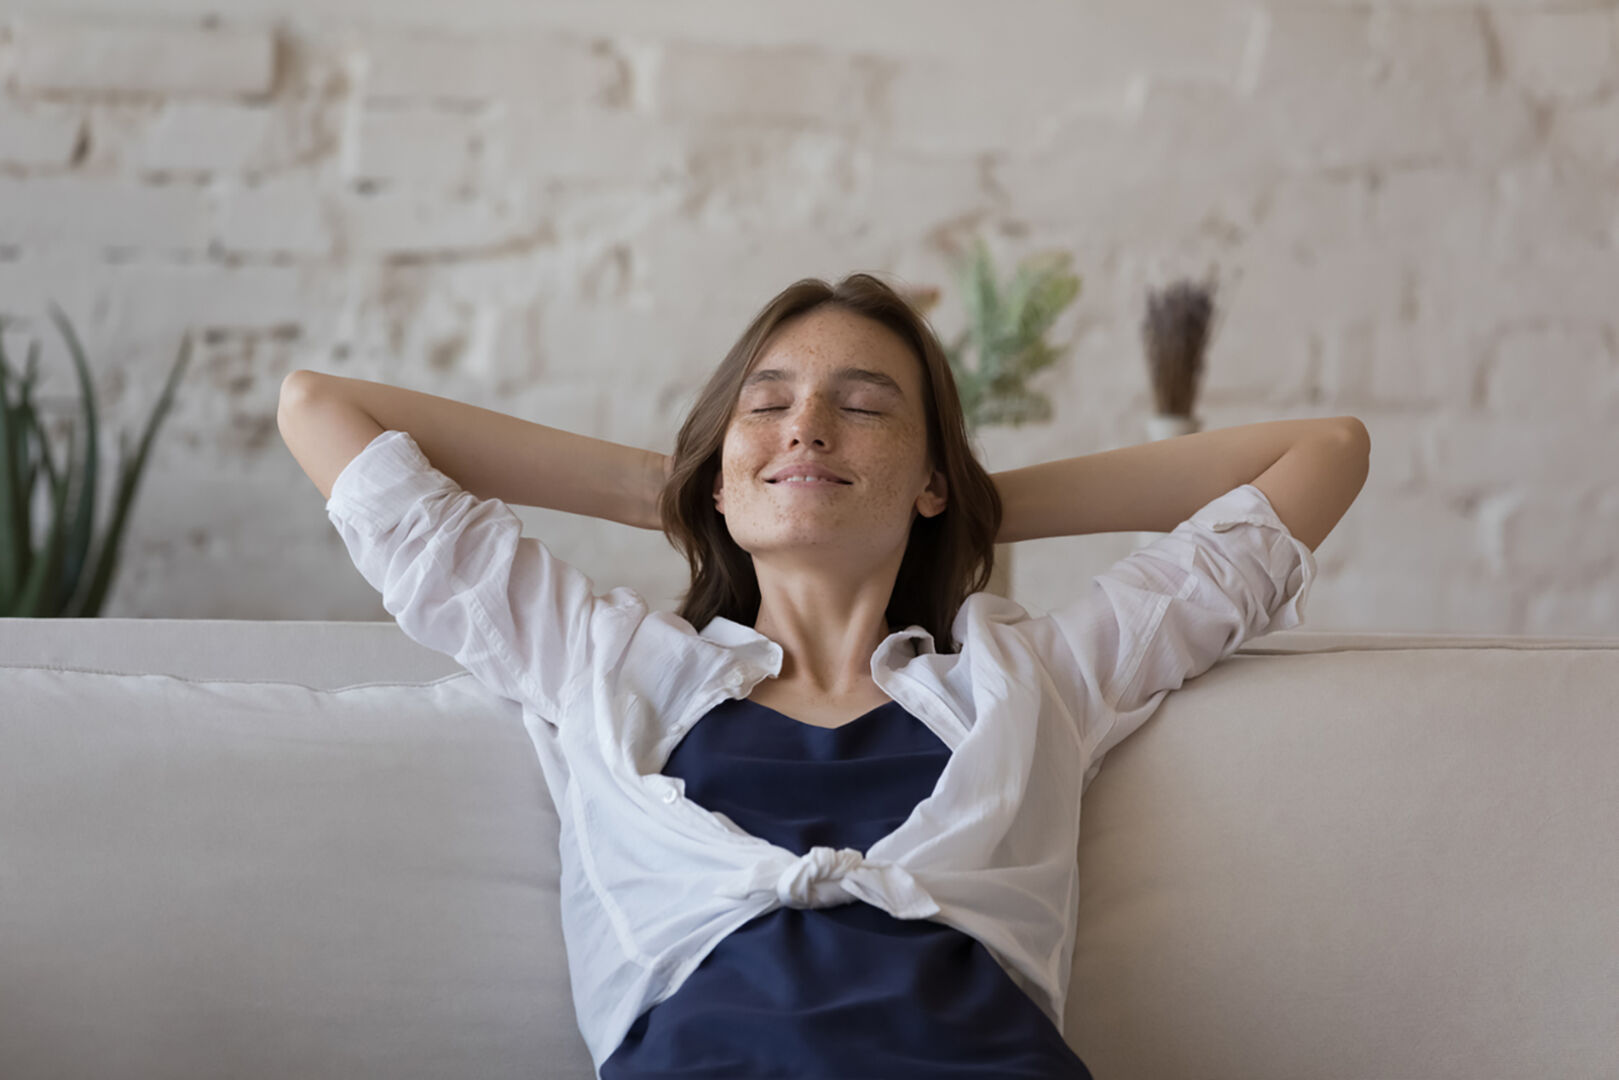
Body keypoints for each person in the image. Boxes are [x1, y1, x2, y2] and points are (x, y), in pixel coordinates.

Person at [278, 272, 1369, 1078]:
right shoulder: (601, 660)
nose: (805, 424)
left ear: (931, 473)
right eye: (767, 404)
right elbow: (321, 409)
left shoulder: (1029, 677)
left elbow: (1323, 452)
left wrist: (958, 499)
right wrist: (691, 485)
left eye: (862, 407)